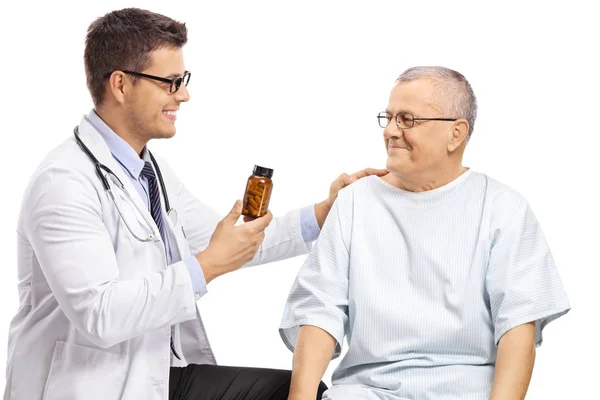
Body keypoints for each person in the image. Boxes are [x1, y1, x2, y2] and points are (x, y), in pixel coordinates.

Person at [2, 8, 387, 400]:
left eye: (182, 81)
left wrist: (325, 211)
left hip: (151, 374)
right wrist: (206, 267)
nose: (183, 95)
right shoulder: (64, 182)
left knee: (299, 392)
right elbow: (99, 315)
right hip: (86, 385)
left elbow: (228, 242)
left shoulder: (150, 171)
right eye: (171, 83)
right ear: (120, 85)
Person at [279, 66, 570, 400]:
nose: (390, 131)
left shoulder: (504, 208)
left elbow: (518, 328)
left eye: (407, 119)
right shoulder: (355, 201)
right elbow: (320, 310)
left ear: (456, 133)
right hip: (366, 392)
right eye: (387, 118)